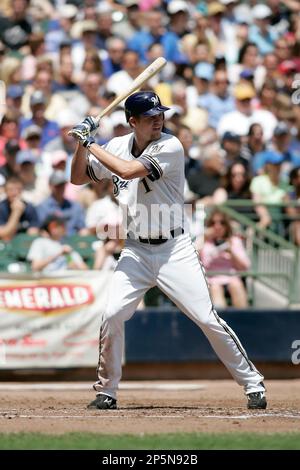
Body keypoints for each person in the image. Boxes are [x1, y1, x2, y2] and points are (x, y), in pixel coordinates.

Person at [69, 90, 266, 410]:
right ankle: (107, 390)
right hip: (135, 249)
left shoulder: (170, 145)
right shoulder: (117, 145)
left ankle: (253, 383)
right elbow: (78, 177)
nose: (158, 119)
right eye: (149, 116)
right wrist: (81, 144)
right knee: (113, 314)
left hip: (174, 249)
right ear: (132, 122)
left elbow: (129, 171)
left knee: (206, 317)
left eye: (160, 113)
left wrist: (90, 142)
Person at [200, 209, 251, 308]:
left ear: (226, 225)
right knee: (215, 288)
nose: (217, 226)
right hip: (211, 279)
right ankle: (221, 321)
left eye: (221, 223)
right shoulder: (204, 242)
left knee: (236, 285)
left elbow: (245, 267)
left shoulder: (234, 241)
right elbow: (198, 262)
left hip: (232, 278)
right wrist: (204, 238)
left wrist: (231, 253)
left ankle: (243, 319)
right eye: (213, 223)